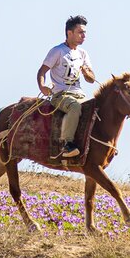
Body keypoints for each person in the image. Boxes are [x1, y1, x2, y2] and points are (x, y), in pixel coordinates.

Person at [37, 15, 96, 159]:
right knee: (75, 107)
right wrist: (42, 86)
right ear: (70, 33)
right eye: (80, 32)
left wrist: (86, 73)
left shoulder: (83, 54)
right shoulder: (57, 51)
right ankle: (67, 144)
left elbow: (91, 80)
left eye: (85, 33)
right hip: (60, 95)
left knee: (97, 109)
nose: (84, 36)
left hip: (79, 94)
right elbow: (42, 71)